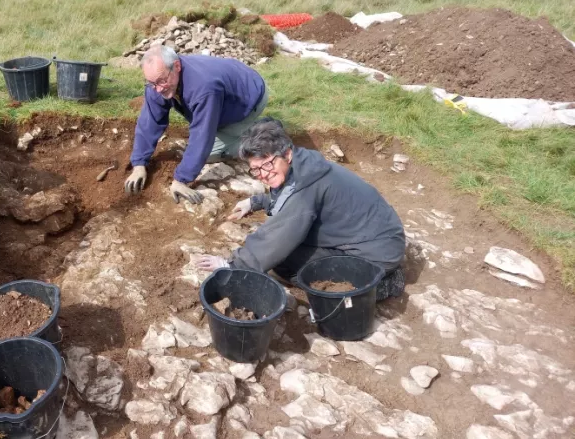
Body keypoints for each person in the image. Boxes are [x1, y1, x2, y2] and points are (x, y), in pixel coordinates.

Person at [194, 118, 406, 301]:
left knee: (285, 262)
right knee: (288, 252)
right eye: (255, 169)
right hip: (376, 238)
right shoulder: (304, 164)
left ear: (286, 154)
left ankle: (378, 286)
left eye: (266, 164)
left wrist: (231, 265)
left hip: (375, 254)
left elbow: (277, 237)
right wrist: (256, 202)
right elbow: (290, 200)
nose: (263, 174)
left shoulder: (306, 185)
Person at [124, 45, 269, 204]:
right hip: (223, 90)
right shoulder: (158, 82)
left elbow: (202, 135)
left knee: (210, 153)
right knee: (200, 141)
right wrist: (139, 163)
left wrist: (181, 180)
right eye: (152, 83)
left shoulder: (203, 87)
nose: (157, 89)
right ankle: (224, 124)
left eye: (162, 81)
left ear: (177, 66)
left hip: (248, 97)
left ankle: (262, 130)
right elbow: (149, 121)